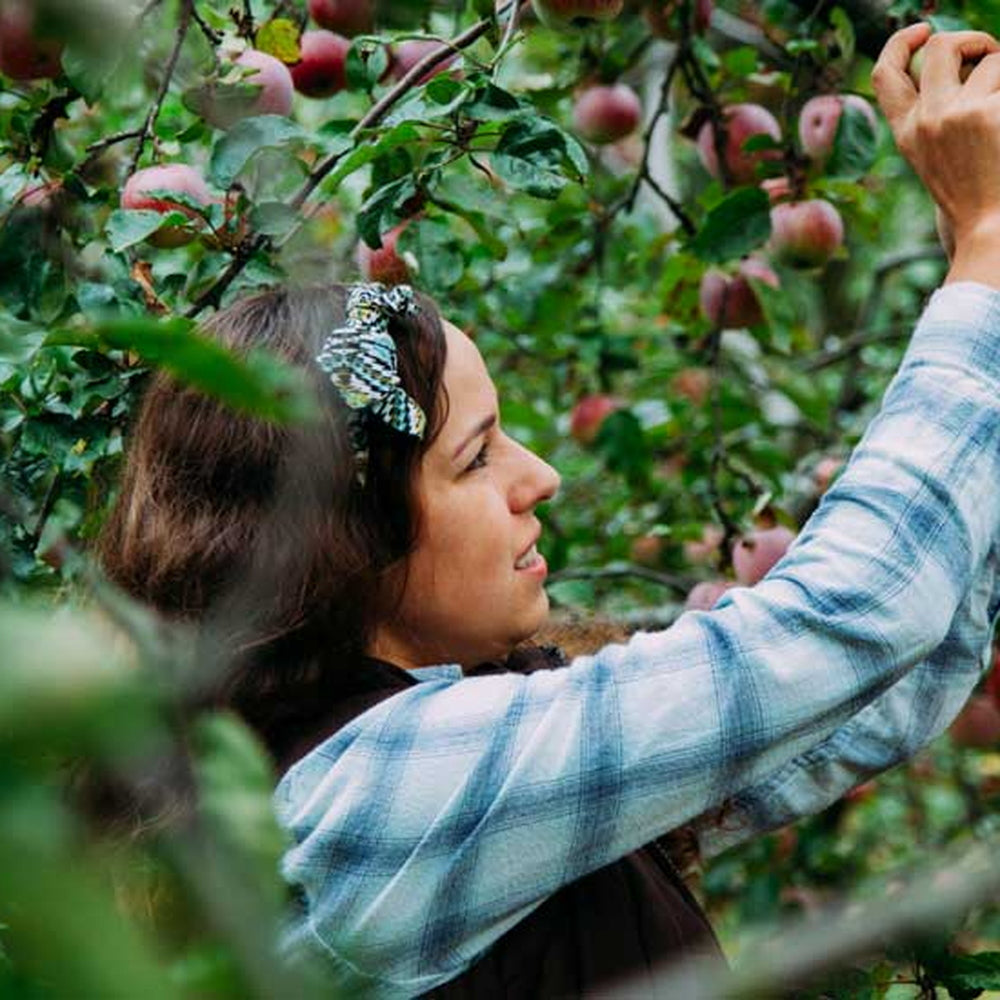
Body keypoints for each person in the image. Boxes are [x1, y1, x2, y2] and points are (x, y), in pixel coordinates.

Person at [96, 23, 1000, 998]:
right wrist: (982, 254)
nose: (540, 477)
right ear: (341, 536)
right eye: (476, 456)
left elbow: (873, 689)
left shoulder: (466, 752)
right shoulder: (374, 802)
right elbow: (849, 622)